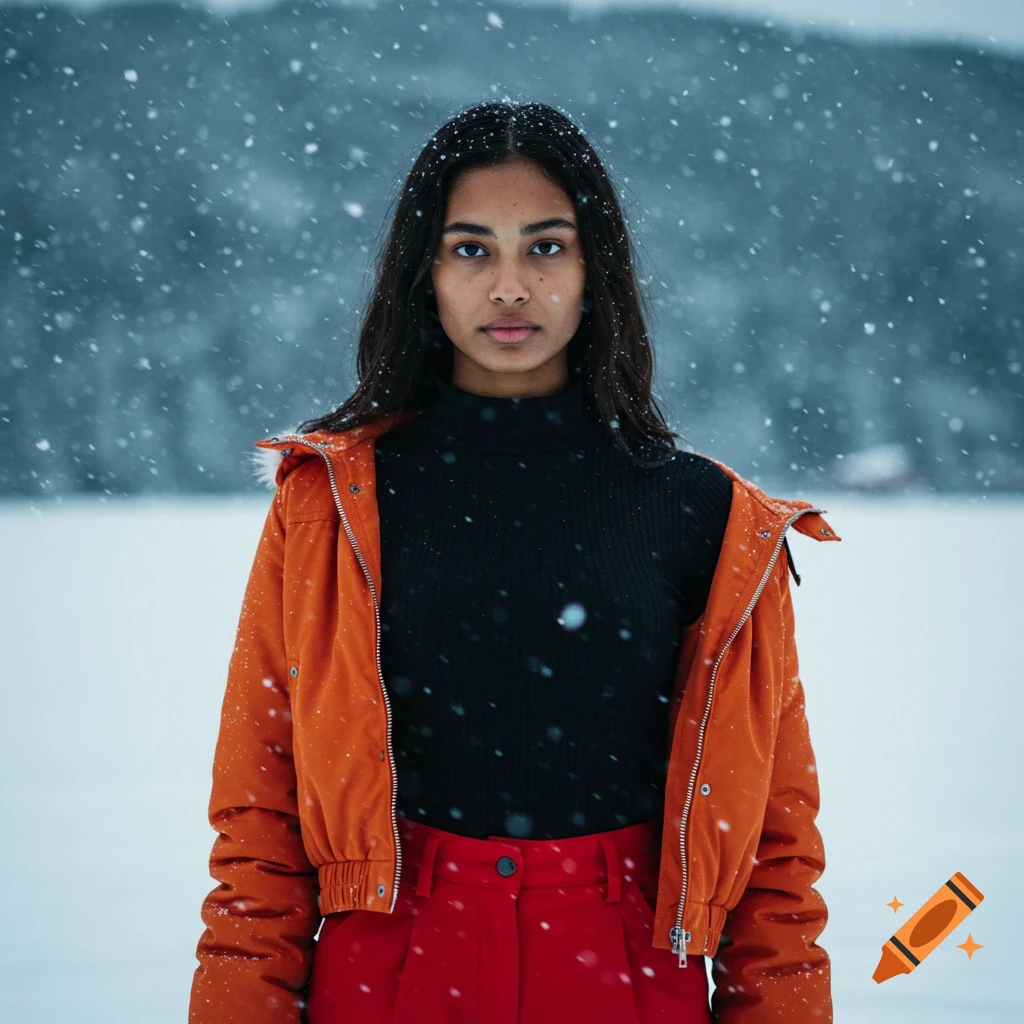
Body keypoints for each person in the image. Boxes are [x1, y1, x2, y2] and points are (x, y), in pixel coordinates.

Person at [188, 101, 840, 1024]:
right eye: (469, 249)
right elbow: (259, 825)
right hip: (386, 968)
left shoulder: (709, 516)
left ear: (593, 267)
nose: (508, 288)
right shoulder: (332, 502)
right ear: (425, 272)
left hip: (628, 971)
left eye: (544, 247)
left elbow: (775, 852)